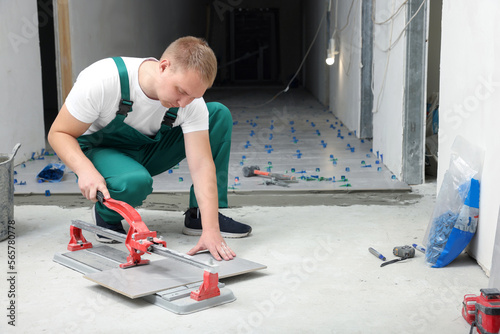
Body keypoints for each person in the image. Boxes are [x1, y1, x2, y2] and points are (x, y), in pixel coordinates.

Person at [48, 36, 251, 261]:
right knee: (134, 181)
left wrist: (211, 231)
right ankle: (108, 214)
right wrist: (85, 169)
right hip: (100, 151)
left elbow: (202, 165)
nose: (184, 103)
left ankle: (200, 216)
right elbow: (58, 134)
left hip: (146, 148)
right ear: (164, 66)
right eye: (181, 91)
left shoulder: (190, 103)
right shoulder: (104, 79)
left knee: (217, 114)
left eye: (194, 96)